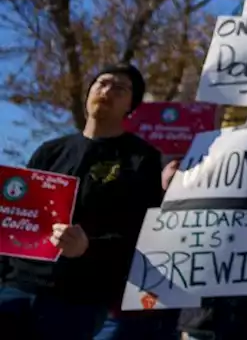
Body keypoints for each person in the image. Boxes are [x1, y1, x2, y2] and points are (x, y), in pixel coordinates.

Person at [0, 64, 163, 340]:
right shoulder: (50, 151)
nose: (107, 90)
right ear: (89, 93)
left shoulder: (141, 159)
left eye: (120, 89)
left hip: (78, 299)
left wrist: (88, 246)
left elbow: (140, 230)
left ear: (131, 107)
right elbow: (18, 218)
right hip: (18, 288)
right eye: (102, 83)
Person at [94, 158, 184, 340]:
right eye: (175, 167)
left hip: (168, 314)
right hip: (121, 312)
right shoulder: (133, 200)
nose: (180, 174)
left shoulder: (198, 216)